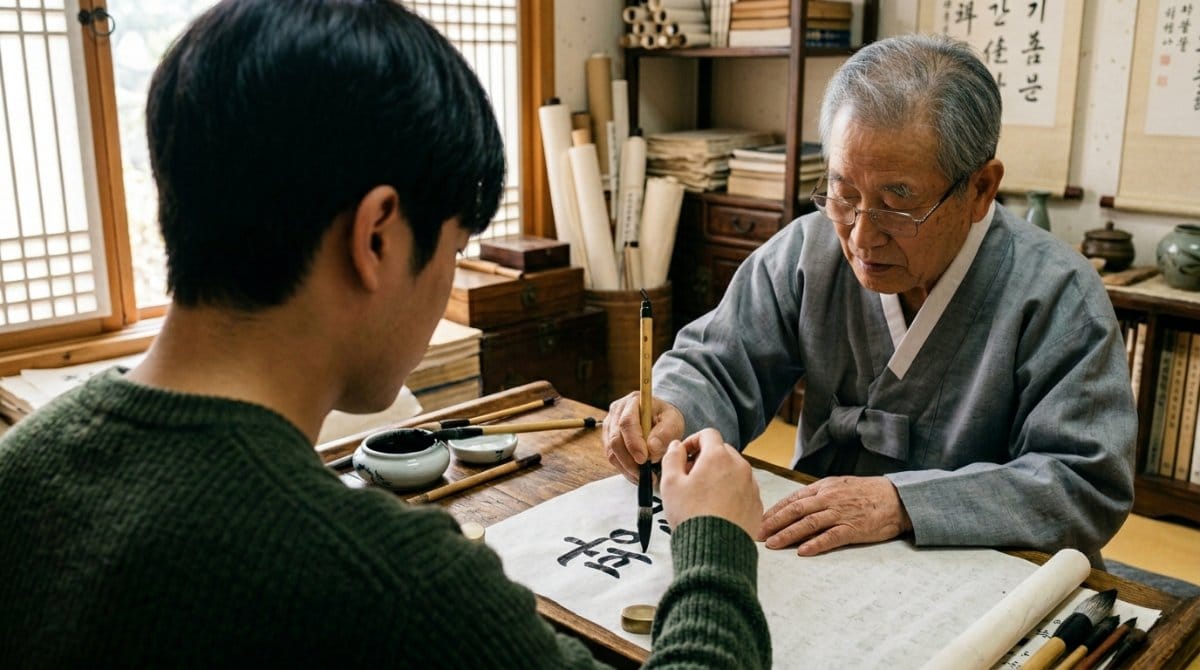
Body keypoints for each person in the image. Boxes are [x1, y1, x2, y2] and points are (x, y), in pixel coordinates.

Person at [0, 1, 770, 666]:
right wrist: (715, 549)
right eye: (456, 250)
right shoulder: (394, 586)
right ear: (377, 238)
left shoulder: (24, 465)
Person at [605, 33, 1135, 568]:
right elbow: (719, 362)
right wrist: (672, 408)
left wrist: (905, 503)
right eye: (843, 194)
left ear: (980, 190)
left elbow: (1084, 482)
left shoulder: (1058, 295)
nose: (861, 237)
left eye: (897, 204)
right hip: (819, 554)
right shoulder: (807, 251)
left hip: (981, 574)